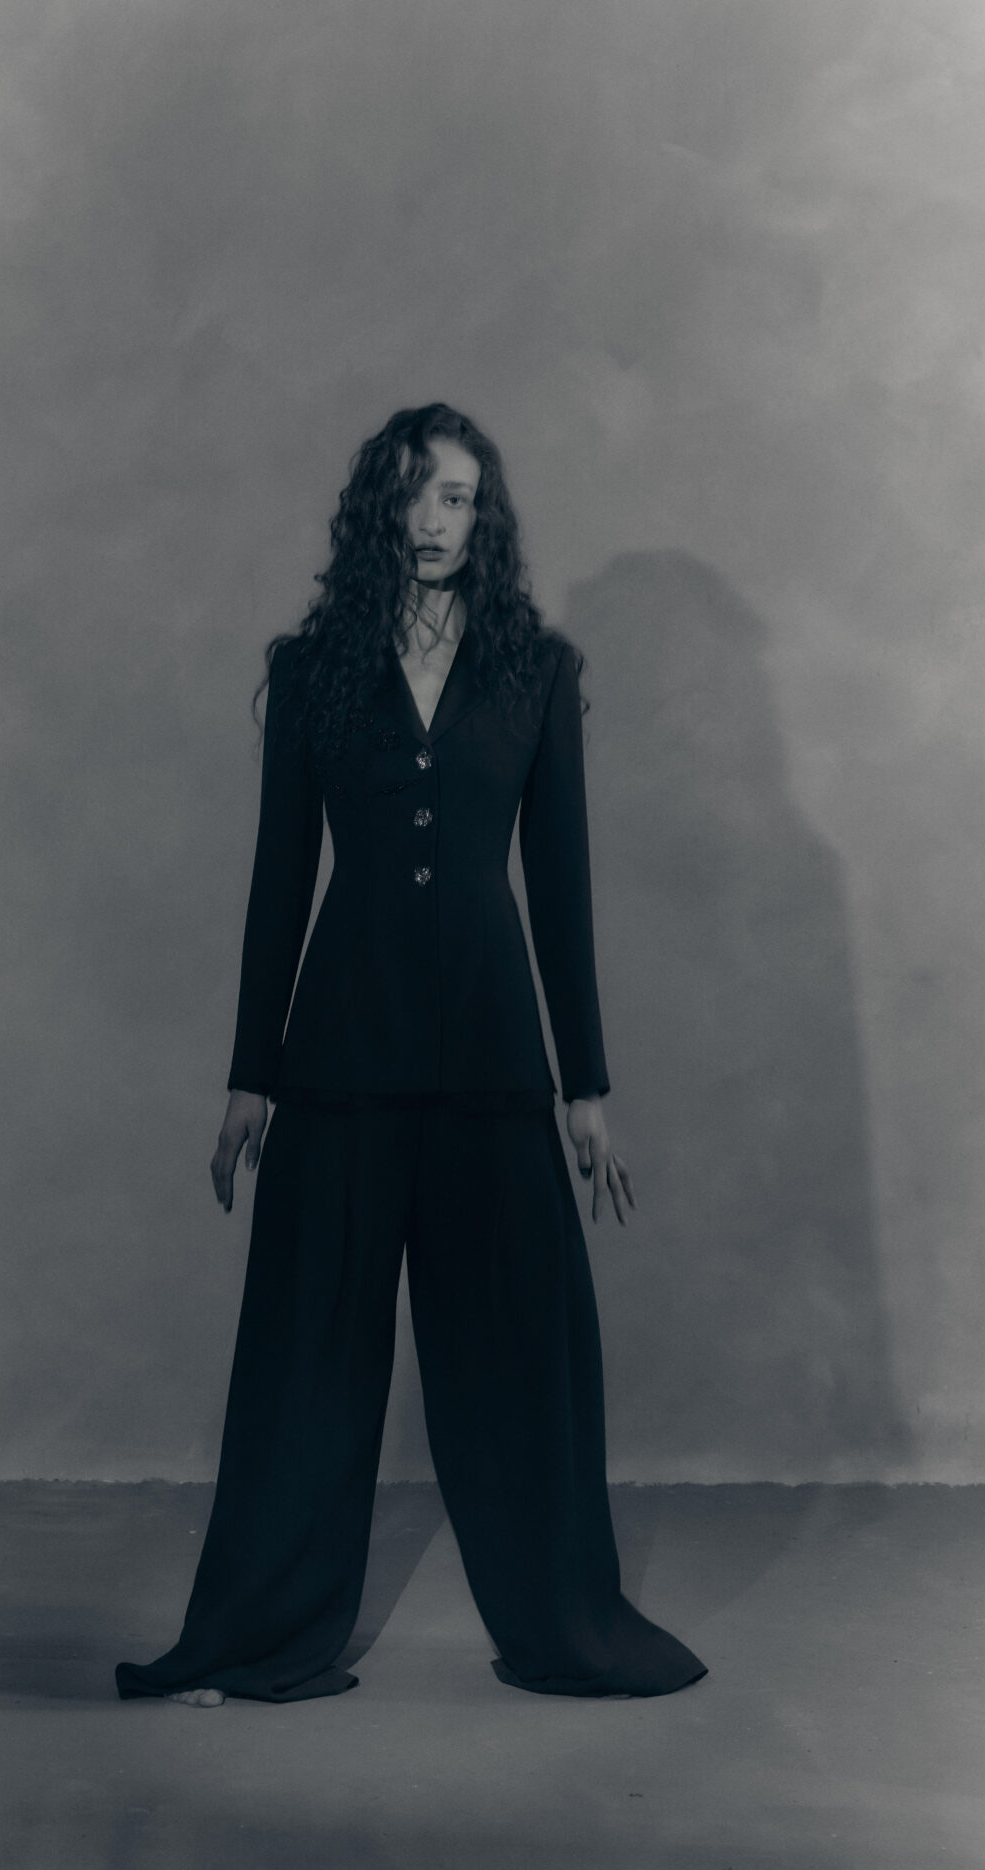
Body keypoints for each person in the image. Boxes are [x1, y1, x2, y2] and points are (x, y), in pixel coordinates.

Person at [115, 403, 707, 1706]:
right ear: (374, 510)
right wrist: (249, 1075)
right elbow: (280, 880)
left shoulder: (535, 671)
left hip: (493, 1059)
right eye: (411, 494)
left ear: (483, 515)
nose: (432, 519)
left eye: (454, 497)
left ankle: (566, 1626)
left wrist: (586, 1087)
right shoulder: (314, 667)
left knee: (520, 1359)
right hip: (339, 1055)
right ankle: (257, 1635)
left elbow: (560, 888)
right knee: (307, 1364)